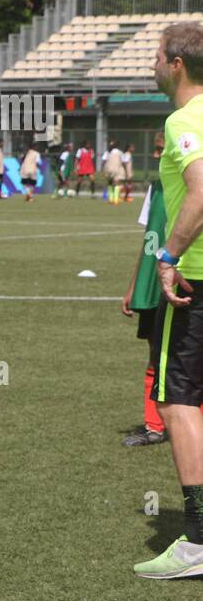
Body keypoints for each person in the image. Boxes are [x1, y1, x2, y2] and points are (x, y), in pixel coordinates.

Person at [138, 21, 203, 579]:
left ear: (177, 63)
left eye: (156, 56)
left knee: (178, 402)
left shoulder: (186, 119)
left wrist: (169, 257)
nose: (151, 65)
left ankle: (199, 540)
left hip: (195, 282)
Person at [122, 131, 167, 447]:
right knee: (155, 351)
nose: (156, 156)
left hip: (189, 280)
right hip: (154, 284)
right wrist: (134, 285)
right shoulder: (156, 188)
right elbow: (149, 241)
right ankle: (155, 426)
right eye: (155, 150)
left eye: (162, 150)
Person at [103, 140, 125, 204]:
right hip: (116, 169)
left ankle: (111, 199)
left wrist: (103, 169)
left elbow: (104, 161)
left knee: (110, 183)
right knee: (117, 184)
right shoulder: (120, 152)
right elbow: (123, 162)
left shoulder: (107, 152)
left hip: (108, 169)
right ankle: (115, 200)